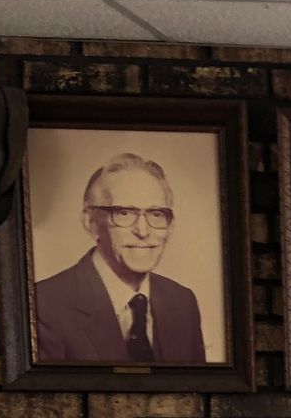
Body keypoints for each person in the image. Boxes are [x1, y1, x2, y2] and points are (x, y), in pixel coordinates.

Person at [32, 152, 205, 364]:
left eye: (156, 214)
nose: (142, 231)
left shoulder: (183, 302)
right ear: (91, 222)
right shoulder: (44, 305)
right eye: (124, 213)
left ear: (170, 225)